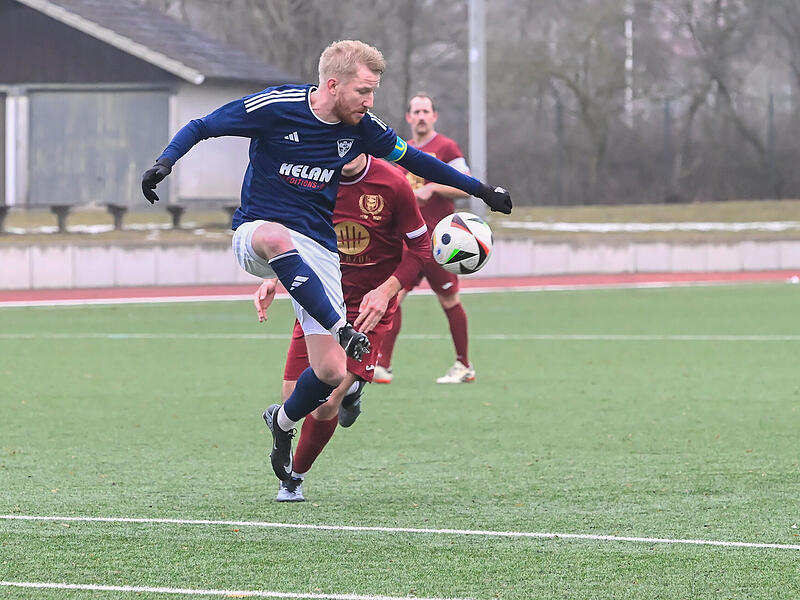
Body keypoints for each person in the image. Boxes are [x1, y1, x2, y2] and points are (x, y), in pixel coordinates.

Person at [141, 40, 512, 483]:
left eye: (374, 92)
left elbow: (418, 161)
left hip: (318, 251)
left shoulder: (363, 129)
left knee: (332, 373)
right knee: (278, 238)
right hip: (257, 233)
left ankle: (280, 422)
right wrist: (165, 162)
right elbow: (203, 125)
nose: (370, 102)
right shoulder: (276, 106)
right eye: (363, 91)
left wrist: (483, 191)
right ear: (333, 85)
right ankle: (342, 328)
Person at [253, 152, 429, 501]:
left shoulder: (392, 183)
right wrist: (274, 277)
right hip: (320, 300)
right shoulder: (310, 179)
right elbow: (294, 237)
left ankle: (294, 479)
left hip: (369, 309)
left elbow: (420, 248)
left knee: (326, 400)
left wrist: (387, 291)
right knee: (295, 400)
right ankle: (345, 393)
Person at [375, 93, 477, 385]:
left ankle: (464, 365)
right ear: (408, 117)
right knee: (392, 297)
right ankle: (382, 365)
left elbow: (466, 186)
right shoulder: (400, 151)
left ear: (434, 116)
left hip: (440, 241)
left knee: (448, 298)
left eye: (425, 111)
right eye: (415, 111)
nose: (420, 116)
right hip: (408, 242)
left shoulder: (446, 147)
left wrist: (433, 188)